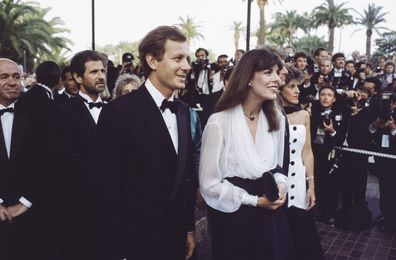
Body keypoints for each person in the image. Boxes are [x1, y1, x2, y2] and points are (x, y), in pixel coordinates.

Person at [93, 25, 196, 260]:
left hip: (176, 240)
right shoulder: (118, 112)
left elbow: (185, 179)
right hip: (135, 243)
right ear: (152, 60)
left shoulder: (183, 112)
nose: (187, 66)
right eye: (178, 58)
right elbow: (106, 188)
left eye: (187, 59)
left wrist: (188, 228)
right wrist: (115, 249)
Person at [199, 48, 294, 260]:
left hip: (271, 217)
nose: (277, 80)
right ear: (248, 77)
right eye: (268, 72)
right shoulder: (219, 122)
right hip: (235, 219)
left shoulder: (276, 117)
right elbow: (209, 183)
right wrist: (254, 201)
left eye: (278, 73)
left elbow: (278, 166)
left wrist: (281, 184)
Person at [0, 58, 60, 259]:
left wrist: (25, 203)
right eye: (4, 77)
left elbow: (49, 164)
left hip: (31, 217)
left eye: (16, 76)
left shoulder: (40, 115)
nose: (12, 82)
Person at [56, 50, 107, 260]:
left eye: (102, 70)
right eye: (94, 71)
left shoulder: (116, 110)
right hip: (83, 209)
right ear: (78, 77)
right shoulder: (63, 114)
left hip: (117, 209)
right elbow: (71, 160)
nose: (101, 76)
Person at [279, 65, 324, 260]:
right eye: (291, 86)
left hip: (298, 182)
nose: (298, 91)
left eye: (298, 86)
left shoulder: (304, 114)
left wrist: (311, 185)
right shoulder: (269, 115)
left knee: (303, 236)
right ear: (279, 89)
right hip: (276, 184)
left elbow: (307, 152)